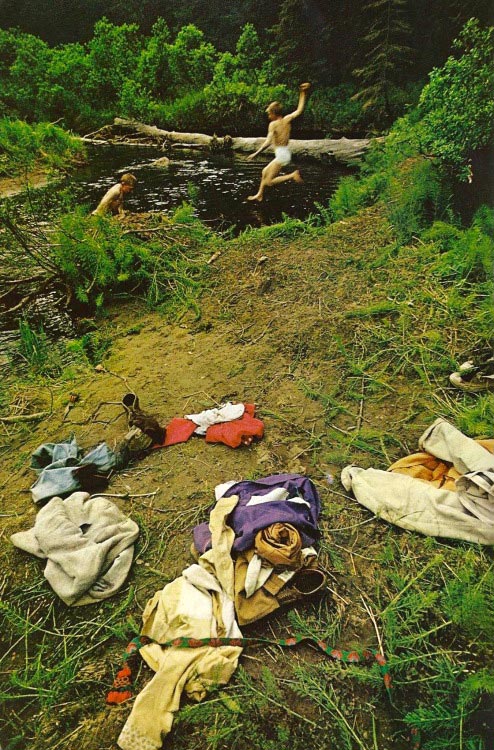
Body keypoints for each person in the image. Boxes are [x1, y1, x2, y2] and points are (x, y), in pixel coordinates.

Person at [247, 82, 311, 202]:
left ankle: (292, 175)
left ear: (273, 113)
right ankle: (259, 195)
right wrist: (302, 93)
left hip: (282, 154)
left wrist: (256, 154)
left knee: (269, 181)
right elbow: (299, 110)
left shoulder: (273, 125)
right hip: (285, 153)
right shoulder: (287, 119)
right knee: (264, 171)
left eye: (269, 113)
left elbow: (268, 142)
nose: (268, 116)